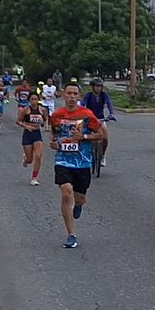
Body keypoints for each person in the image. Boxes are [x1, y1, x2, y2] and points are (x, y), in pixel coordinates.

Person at [49, 84, 103, 249]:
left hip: (82, 162)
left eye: (75, 94)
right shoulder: (57, 115)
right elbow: (54, 134)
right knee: (66, 193)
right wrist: (53, 143)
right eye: (69, 93)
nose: (71, 96)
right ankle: (71, 235)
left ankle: (79, 204)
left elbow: (100, 135)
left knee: (79, 198)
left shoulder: (86, 115)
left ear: (79, 97)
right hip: (63, 161)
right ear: (64, 95)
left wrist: (84, 136)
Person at [80, 77, 116, 166]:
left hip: (100, 119)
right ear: (92, 87)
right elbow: (83, 104)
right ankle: (85, 154)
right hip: (89, 120)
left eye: (100, 86)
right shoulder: (88, 95)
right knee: (84, 137)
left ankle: (102, 155)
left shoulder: (104, 95)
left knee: (105, 138)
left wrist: (112, 114)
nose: (98, 88)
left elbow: (109, 103)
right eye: (96, 86)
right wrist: (82, 113)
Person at [17, 92, 48, 185]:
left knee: (38, 156)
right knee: (30, 160)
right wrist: (26, 126)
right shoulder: (25, 110)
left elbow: (46, 119)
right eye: (32, 99)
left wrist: (45, 125)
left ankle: (34, 178)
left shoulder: (42, 110)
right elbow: (18, 121)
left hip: (37, 134)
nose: (34, 101)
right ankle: (26, 159)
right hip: (27, 134)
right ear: (29, 100)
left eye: (35, 99)